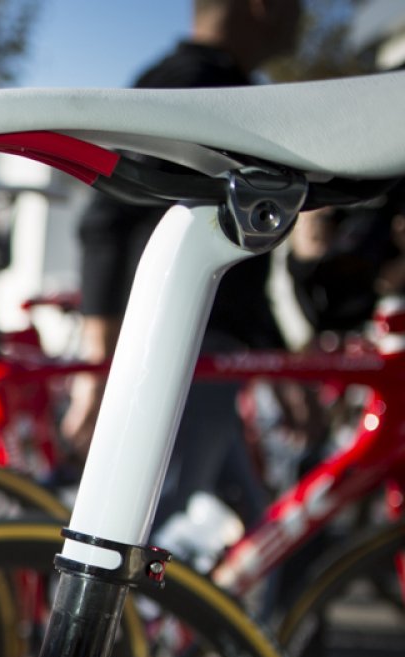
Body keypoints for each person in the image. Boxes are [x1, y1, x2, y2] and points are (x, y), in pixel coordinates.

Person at [62, 0, 305, 523]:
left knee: (260, 528)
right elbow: (106, 218)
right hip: (181, 350)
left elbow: (245, 265)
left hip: (211, 353)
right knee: (155, 527)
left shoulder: (220, 87)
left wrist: (279, 366)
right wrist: (97, 369)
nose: (303, 14)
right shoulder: (193, 85)